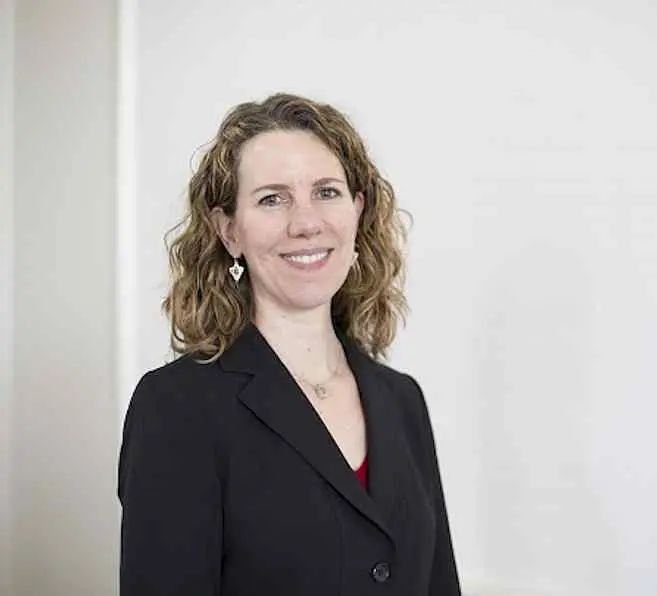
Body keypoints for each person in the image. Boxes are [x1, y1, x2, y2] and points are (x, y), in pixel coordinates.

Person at [117, 93, 461, 596]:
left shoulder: (402, 400)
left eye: (326, 192)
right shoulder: (176, 407)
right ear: (229, 230)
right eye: (272, 199)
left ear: (357, 212)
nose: (305, 222)